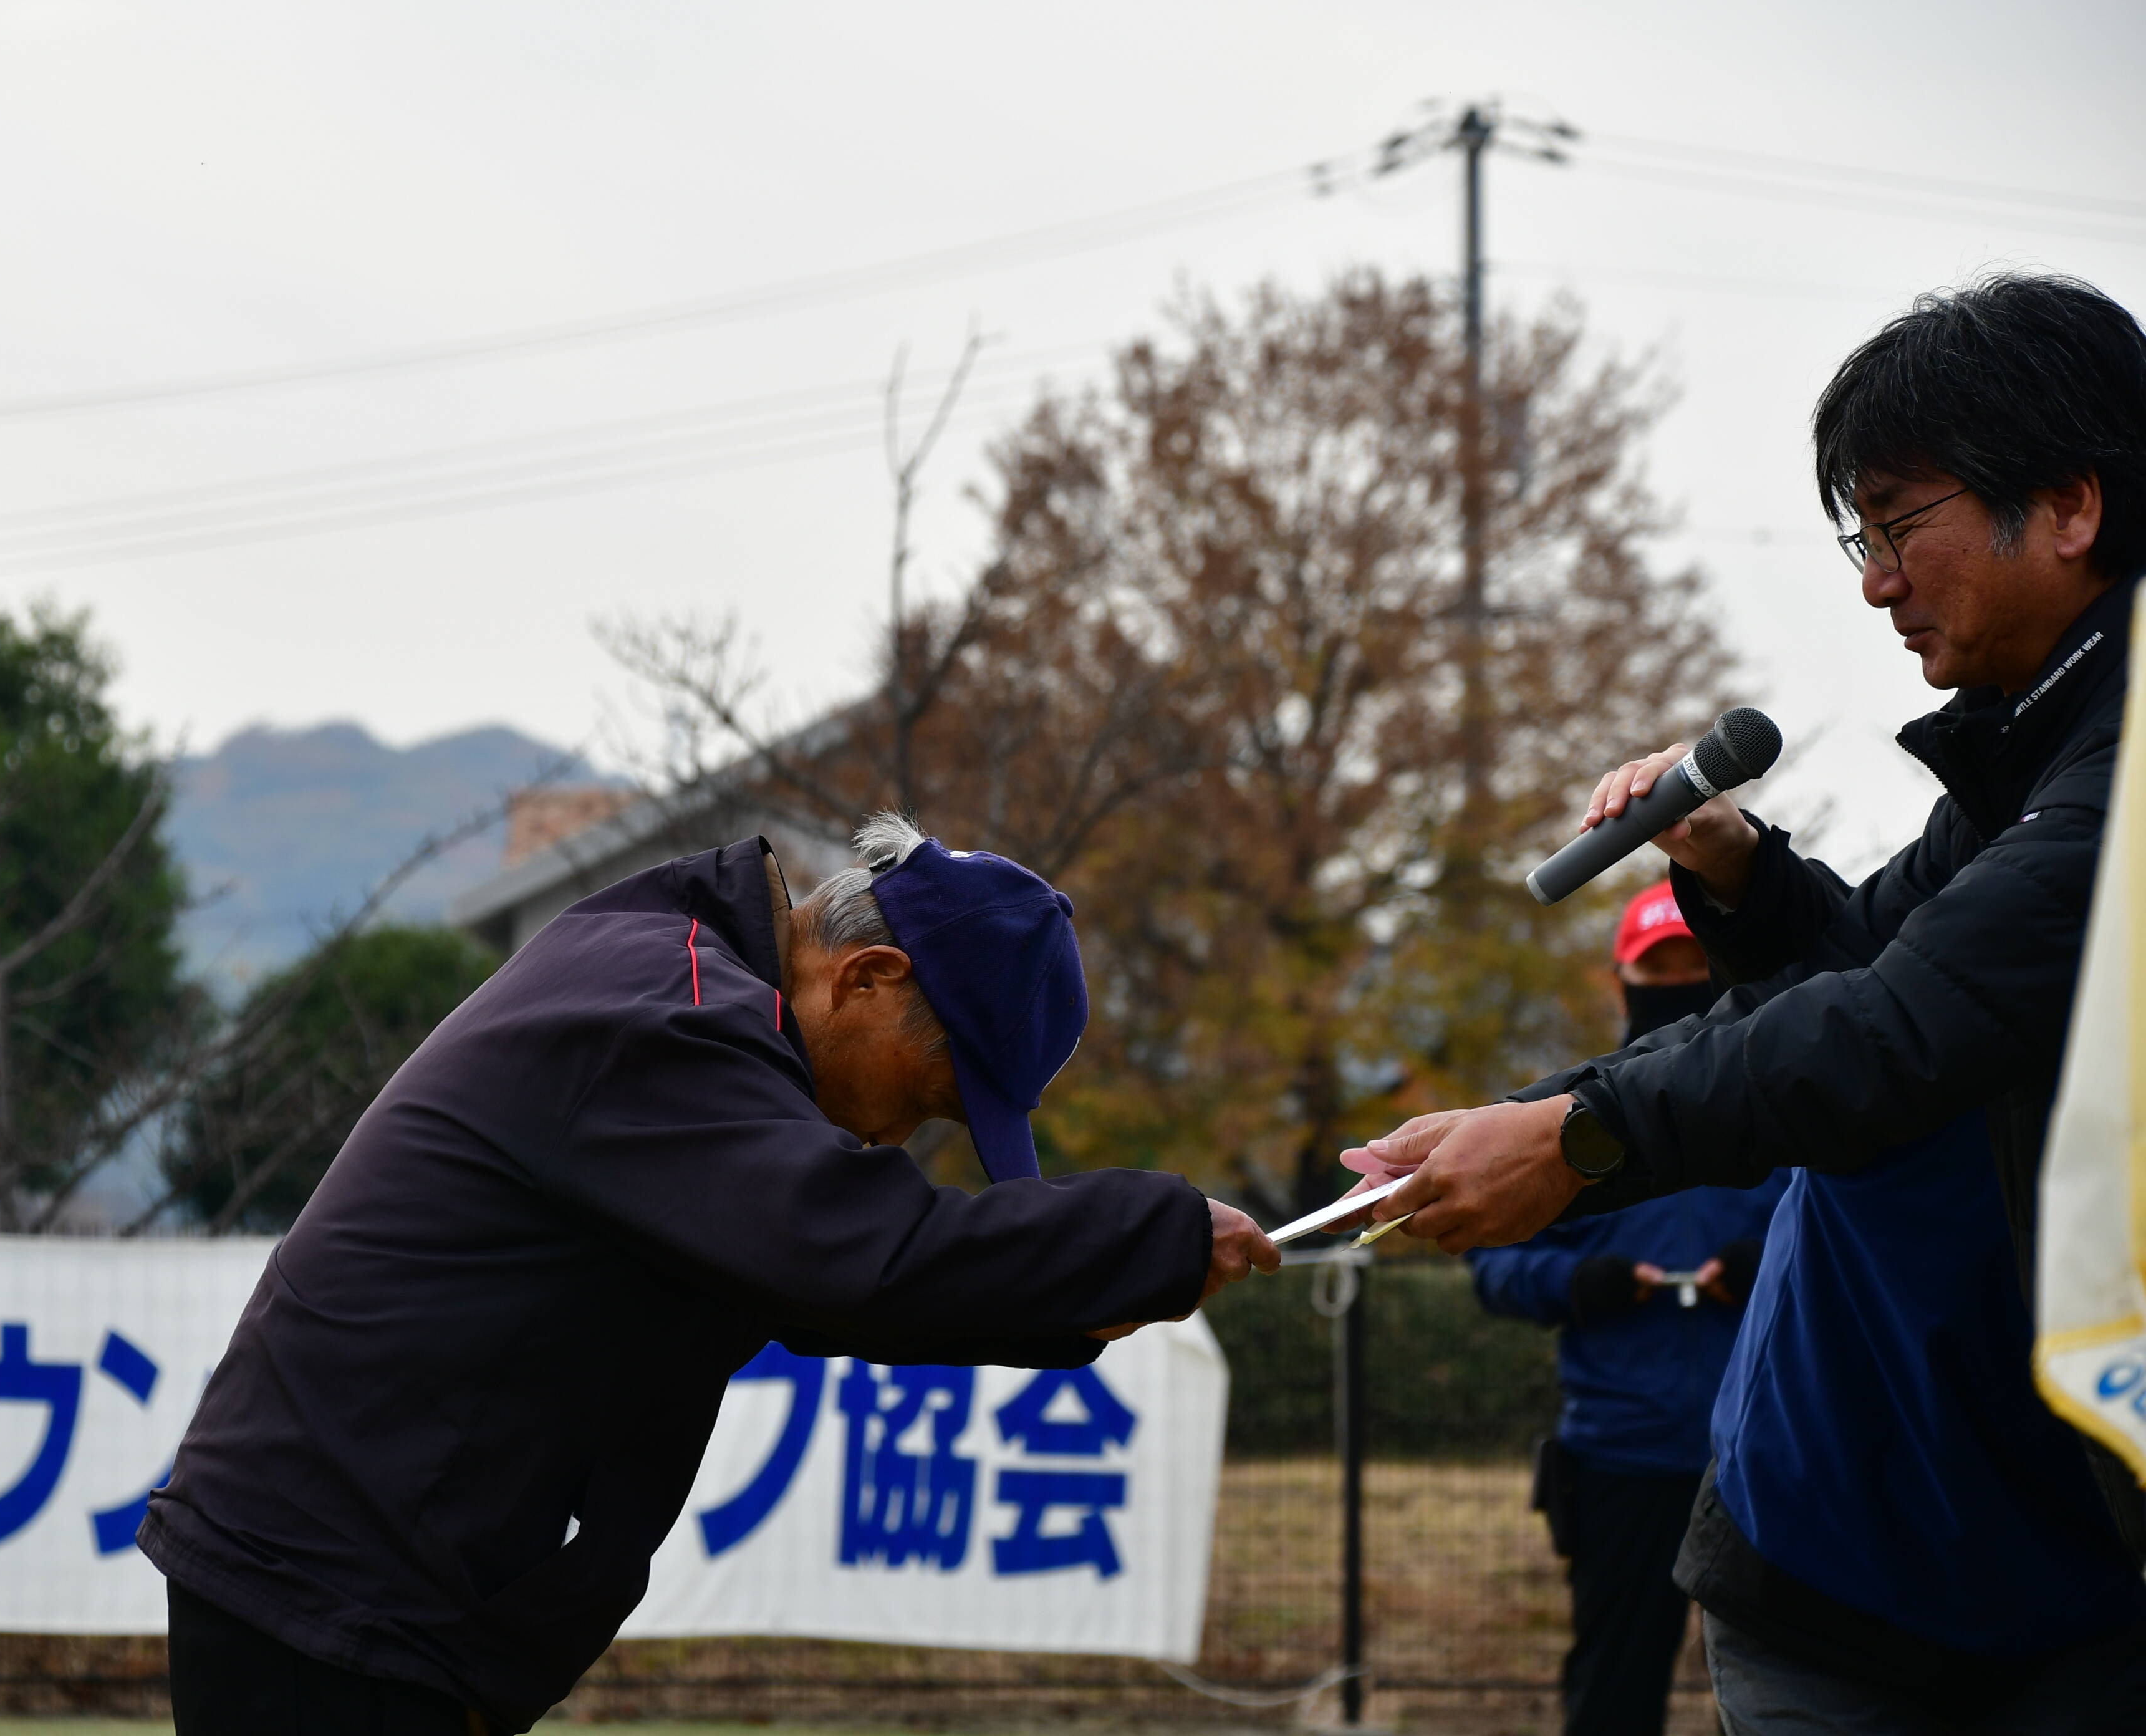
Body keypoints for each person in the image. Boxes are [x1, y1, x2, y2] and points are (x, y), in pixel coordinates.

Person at [1352, 272, 2146, 1728]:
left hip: (2058, 1562)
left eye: (1900, 524)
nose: (1874, 581)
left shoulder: (2117, 781)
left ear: (2072, 506)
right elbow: (1867, 968)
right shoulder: (2028, 757)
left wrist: (1573, 1132)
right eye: (1863, 534)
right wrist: (1735, 867)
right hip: (1842, 1536)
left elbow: (1898, 1028)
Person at [140, 816, 1281, 1736]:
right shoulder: (667, 1018)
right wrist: (1156, 1234)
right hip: (332, 1597)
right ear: (869, 976)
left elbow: (823, 1276)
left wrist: (1090, 1291)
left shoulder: (682, 979)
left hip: (366, 1588)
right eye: (929, 1097)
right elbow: (859, 1259)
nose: (898, 1138)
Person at [1468, 885, 1783, 1736]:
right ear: (1622, 981)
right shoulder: (1562, 1123)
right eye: (1659, 967)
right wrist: (1580, 1285)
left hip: (1766, 1455)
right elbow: (1494, 1264)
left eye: (1694, 964)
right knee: (1615, 1686)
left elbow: (1844, 1233)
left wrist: (1772, 1270)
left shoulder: (1786, 1104)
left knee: (1777, 1695)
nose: (1678, 980)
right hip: (1620, 1455)